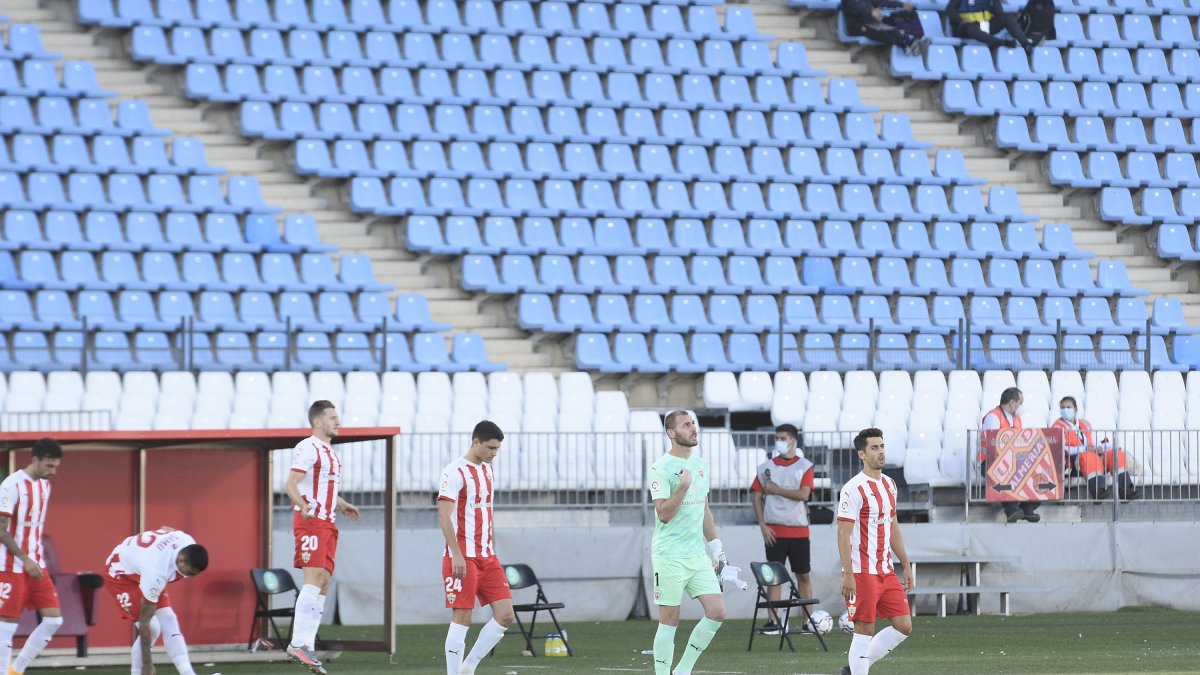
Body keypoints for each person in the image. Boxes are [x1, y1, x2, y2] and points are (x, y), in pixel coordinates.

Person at [284, 400, 361, 675]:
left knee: (324, 583)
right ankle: (298, 642)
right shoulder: (308, 447)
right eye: (332, 417)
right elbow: (291, 483)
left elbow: (322, 487)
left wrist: (342, 503)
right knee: (314, 579)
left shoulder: (330, 452)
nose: (338, 422)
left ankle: (307, 645)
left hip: (327, 522)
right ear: (317, 421)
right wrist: (303, 506)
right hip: (311, 522)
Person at [648, 410, 727, 675]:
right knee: (669, 619)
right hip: (669, 555)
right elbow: (663, 514)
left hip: (697, 555)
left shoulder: (701, 465)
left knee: (717, 612)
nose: (693, 428)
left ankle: (682, 670)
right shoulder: (659, 468)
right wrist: (682, 487)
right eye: (685, 425)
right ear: (671, 433)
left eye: (693, 423)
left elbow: (704, 510)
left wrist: (717, 550)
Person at [439, 421, 514, 675]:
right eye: (491, 448)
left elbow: (486, 511)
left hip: (487, 556)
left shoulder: (488, 470)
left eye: (497, 449)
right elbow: (443, 516)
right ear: (476, 442)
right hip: (462, 557)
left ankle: (468, 667)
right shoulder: (454, 472)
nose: (494, 453)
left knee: (505, 615)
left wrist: (491, 546)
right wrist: (456, 554)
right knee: (462, 618)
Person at [837, 428, 914, 675]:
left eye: (882, 446)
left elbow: (893, 528)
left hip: (885, 569)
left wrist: (906, 565)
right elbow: (843, 534)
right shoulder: (853, 489)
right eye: (874, 448)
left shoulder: (890, 484)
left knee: (904, 625)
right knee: (864, 630)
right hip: (861, 571)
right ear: (862, 454)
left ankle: (854, 669)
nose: (880, 452)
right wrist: (848, 574)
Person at [103, 528, 209, 675]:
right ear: (181, 559)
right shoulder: (156, 571)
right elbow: (145, 621)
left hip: (142, 568)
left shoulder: (187, 541)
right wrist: (148, 664)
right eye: (189, 573)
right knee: (153, 628)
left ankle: (188, 673)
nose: (190, 577)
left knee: (169, 618)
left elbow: (166, 528)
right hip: (121, 576)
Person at [0, 438, 64, 675]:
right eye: (49, 465)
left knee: (54, 620)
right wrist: (24, 558)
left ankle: (16, 670)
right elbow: (1, 530)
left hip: (36, 565)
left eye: (56, 466)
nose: (53, 471)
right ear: (35, 459)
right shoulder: (11, 485)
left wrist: (33, 559)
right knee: (6, 626)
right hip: (10, 566)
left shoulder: (45, 486)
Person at [749, 423, 814, 635]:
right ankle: (773, 622)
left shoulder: (805, 466)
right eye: (777, 437)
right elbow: (756, 496)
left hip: (798, 530)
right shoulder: (765, 467)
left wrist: (777, 490)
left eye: (783, 438)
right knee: (773, 578)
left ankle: (808, 622)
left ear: (793, 440)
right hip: (774, 531)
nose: (779, 441)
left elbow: (804, 494)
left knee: (803, 576)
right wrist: (762, 525)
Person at [1051, 396, 1137, 500]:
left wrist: (1100, 448)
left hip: (1093, 459)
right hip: (1074, 463)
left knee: (1116, 454)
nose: (1065, 410)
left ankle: (1126, 490)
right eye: (1063, 408)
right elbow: (1060, 449)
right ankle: (1098, 491)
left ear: (1076, 408)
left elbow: (1095, 440)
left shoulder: (1085, 424)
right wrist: (1084, 449)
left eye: (1068, 407)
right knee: (1089, 456)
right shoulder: (1057, 427)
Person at [981, 387, 1040, 523]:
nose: (1021, 406)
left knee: (1035, 468)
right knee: (1007, 470)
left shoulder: (1017, 419)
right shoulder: (993, 417)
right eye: (1020, 403)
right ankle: (1011, 510)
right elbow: (992, 443)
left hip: (1011, 459)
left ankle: (1027, 508)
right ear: (1012, 403)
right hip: (989, 461)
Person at [841, 0, 930, 55]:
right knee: (884, 31)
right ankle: (908, 42)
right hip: (858, 27)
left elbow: (882, 2)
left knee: (893, 25)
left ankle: (908, 43)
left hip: (871, 22)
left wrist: (901, 5)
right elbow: (856, 8)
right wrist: (870, 12)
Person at [947, 0, 1038, 49]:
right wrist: (960, 20)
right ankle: (1001, 42)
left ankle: (1025, 43)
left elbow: (999, 12)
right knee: (970, 28)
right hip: (965, 28)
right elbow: (950, 9)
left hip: (983, 25)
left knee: (1006, 17)